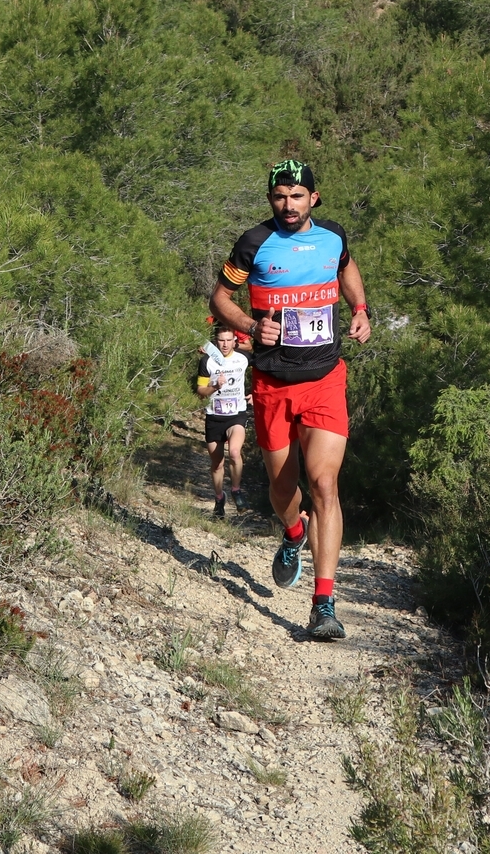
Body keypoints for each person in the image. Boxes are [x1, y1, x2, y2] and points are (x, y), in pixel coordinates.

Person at [210, 159, 370, 641]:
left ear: (313, 199)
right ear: (270, 199)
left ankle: (324, 604)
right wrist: (250, 325)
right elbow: (219, 298)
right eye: (280, 196)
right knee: (283, 491)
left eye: (297, 196)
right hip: (273, 384)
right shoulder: (254, 243)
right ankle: (294, 532)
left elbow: (347, 267)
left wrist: (360, 308)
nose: (288, 205)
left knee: (324, 484)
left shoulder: (333, 237)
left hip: (325, 380)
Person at [195, 326, 251, 518]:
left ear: (235, 341)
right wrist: (215, 387)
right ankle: (219, 498)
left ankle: (236, 490)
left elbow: (263, 371)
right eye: (221, 340)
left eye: (228, 340)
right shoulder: (207, 361)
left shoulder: (243, 357)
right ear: (215, 341)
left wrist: (256, 393)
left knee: (234, 452)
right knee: (217, 463)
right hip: (214, 416)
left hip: (236, 414)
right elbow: (200, 391)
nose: (225, 344)